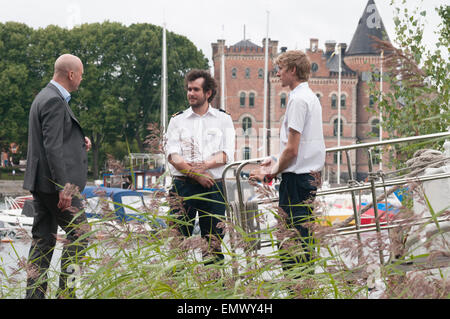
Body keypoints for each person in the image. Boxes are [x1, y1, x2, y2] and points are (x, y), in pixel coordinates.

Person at [22, 54, 92, 299]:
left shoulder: (43, 96)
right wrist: (64, 188)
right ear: (71, 74)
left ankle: (34, 296)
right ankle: (67, 294)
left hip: (41, 184)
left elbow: (53, 142)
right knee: (81, 235)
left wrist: (79, 144)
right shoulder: (54, 100)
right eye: (81, 74)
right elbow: (51, 148)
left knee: (43, 242)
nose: (81, 79)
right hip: (55, 187)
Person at [252, 50, 325, 273]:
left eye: (281, 68)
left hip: (296, 181)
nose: (277, 73)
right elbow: (300, 147)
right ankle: (304, 287)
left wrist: (270, 172)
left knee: (292, 244)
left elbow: (292, 150)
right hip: (306, 177)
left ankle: (298, 288)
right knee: (301, 239)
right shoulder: (309, 97)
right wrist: (275, 159)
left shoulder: (298, 100)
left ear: (292, 70)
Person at [166, 69, 235, 265]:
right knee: (177, 244)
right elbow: (173, 155)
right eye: (189, 89)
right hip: (183, 186)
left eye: (196, 89)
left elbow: (226, 154)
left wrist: (205, 165)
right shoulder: (177, 120)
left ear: (208, 93)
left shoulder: (224, 119)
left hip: (213, 187)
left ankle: (215, 291)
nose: (191, 93)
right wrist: (196, 175)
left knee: (213, 245)